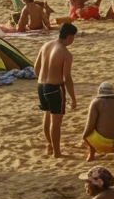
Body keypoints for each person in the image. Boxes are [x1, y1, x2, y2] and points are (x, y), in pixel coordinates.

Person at [33, 24, 79, 158]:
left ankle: (49, 144)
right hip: (54, 87)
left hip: (41, 85)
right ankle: (57, 152)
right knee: (56, 122)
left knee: (47, 115)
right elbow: (67, 78)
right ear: (70, 37)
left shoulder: (46, 45)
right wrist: (73, 98)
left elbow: (36, 67)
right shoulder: (65, 53)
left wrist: (44, 77)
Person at [81, 82, 114, 161]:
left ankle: (91, 154)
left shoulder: (96, 102)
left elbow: (90, 126)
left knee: (89, 133)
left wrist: (84, 137)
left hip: (102, 143)